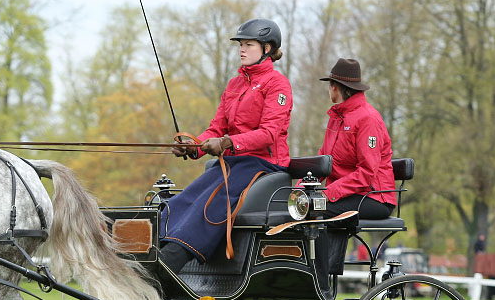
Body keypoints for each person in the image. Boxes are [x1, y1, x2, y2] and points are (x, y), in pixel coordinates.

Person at [160, 18, 292, 272]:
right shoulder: (235, 84)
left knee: (211, 201)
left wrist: (228, 142)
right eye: (241, 44)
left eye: (249, 45)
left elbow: (269, 133)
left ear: (267, 49)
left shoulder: (277, 84)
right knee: (189, 196)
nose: (242, 50)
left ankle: (172, 259)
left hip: (264, 164)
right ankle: (157, 246)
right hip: (234, 162)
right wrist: (194, 146)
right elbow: (216, 127)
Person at [316, 59, 396, 219]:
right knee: (303, 207)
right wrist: (299, 189)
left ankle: (321, 245)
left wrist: (328, 193)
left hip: (375, 196)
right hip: (345, 195)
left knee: (318, 211)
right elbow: (321, 161)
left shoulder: (368, 119)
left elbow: (367, 173)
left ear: (335, 87)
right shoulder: (336, 118)